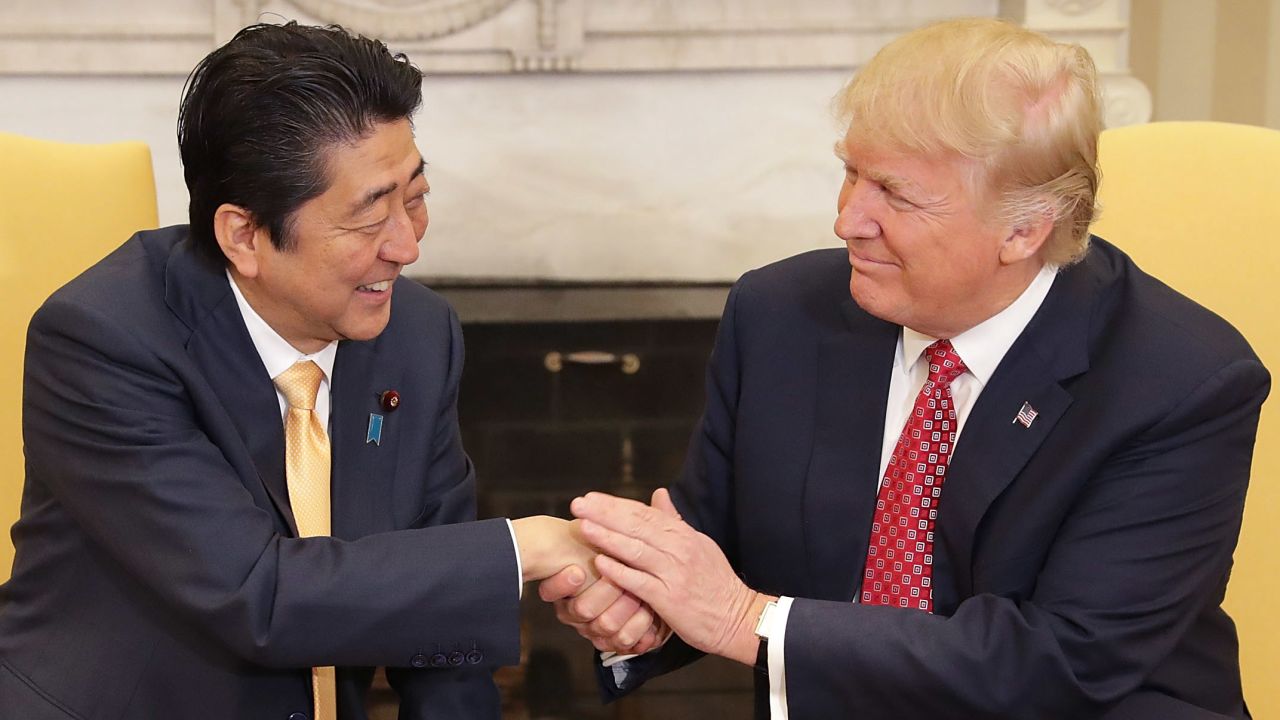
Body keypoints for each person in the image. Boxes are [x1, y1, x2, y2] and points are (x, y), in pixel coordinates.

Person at [544, 17, 1270, 719]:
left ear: (1023, 229)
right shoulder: (779, 314)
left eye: (895, 193)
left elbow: (1064, 663)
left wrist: (742, 620)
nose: (847, 220)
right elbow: (711, 545)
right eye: (850, 173)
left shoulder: (1179, 382)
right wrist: (646, 604)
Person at [0, 22, 601, 720]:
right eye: (369, 217)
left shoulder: (416, 332)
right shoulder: (103, 340)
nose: (406, 246)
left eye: (416, 197)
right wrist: (522, 545)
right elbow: (257, 593)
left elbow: (445, 618)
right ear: (245, 235)